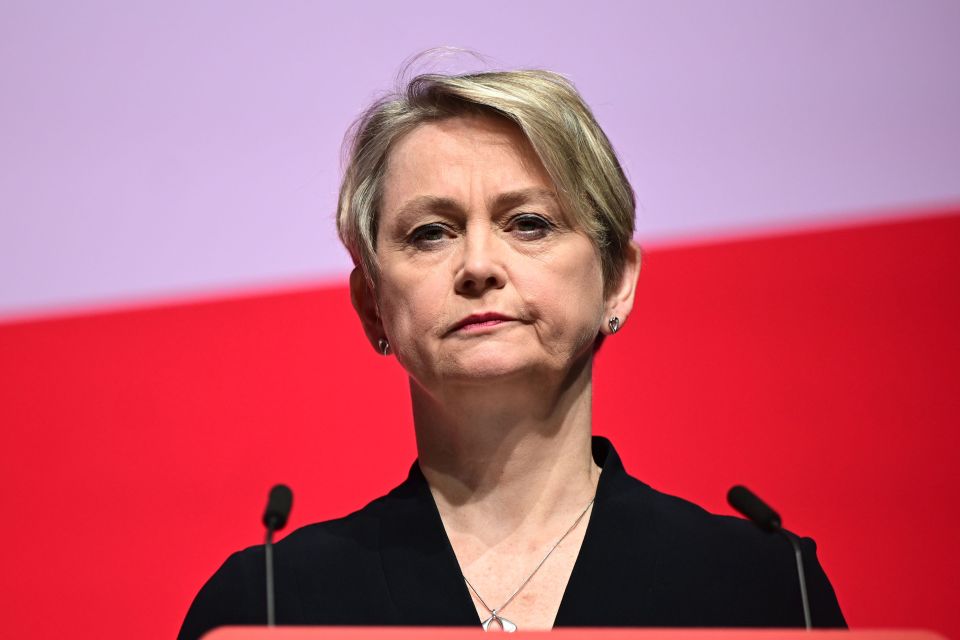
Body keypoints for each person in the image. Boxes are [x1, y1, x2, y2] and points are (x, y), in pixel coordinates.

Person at [178, 68, 845, 638]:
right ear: (373, 305)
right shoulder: (267, 608)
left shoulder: (762, 588)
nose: (477, 265)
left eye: (529, 223)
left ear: (617, 281)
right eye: (430, 233)